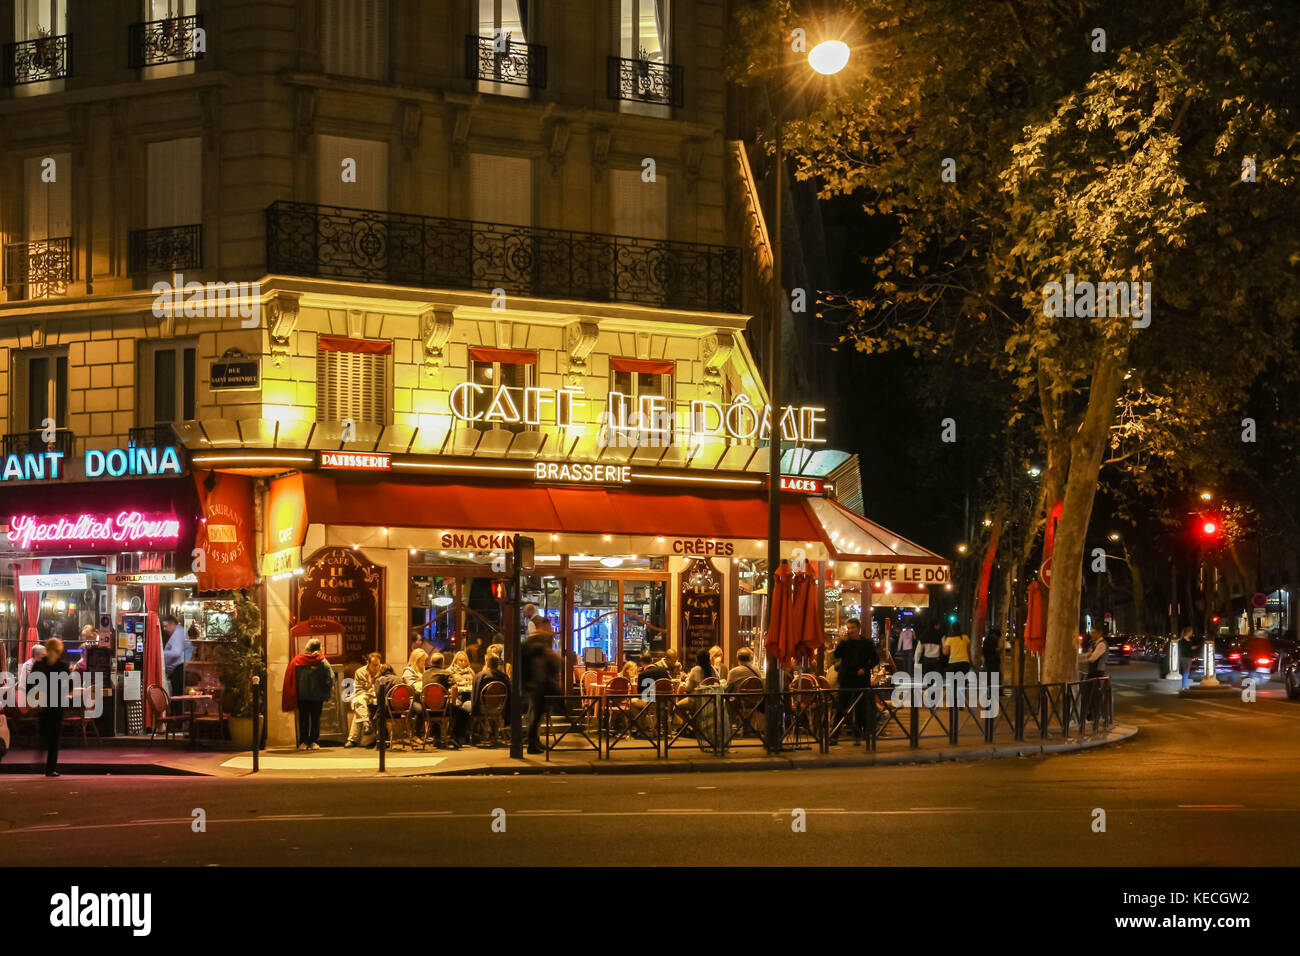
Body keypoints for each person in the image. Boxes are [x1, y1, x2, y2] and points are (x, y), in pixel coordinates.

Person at [281, 637, 334, 751]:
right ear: (319, 648)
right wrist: (326, 691)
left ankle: (303, 742)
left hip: (302, 696)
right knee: (315, 719)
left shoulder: (297, 661)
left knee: (303, 718)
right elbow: (330, 677)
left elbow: (290, 678)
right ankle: (314, 742)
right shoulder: (322, 661)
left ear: (307, 648)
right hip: (317, 696)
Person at [29, 638, 72, 776]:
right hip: (57, 705)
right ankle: (50, 768)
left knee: (43, 732)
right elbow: (69, 686)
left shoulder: (39, 665)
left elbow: (30, 684)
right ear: (59, 650)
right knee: (54, 737)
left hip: (42, 704)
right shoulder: (63, 666)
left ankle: (38, 760)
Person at [833, 619, 877, 742]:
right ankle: (834, 735)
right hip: (846, 678)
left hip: (861, 679)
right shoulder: (845, 643)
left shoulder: (867, 643)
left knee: (860, 709)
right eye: (849, 628)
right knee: (841, 707)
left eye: (852, 628)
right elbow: (836, 654)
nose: (850, 630)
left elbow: (875, 659)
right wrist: (842, 642)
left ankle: (858, 735)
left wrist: (865, 668)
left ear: (858, 628)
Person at [522, 619, 562, 753]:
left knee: (537, 715)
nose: (551, 629)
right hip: (537, 684)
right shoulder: (537, 642)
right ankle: (532, 744)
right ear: (543, 626)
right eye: (549, 626)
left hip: (537, 683)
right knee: (536, 715)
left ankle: (535, 742)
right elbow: (544, 663)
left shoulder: (536, 641)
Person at [421, 651, 467, 748]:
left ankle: (436, 737)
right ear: (442, 663)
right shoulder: (445, 673)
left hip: (427, 709)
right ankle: (455, 737)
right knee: (464, 713)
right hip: (443, 709)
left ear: (431, 663)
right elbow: (454, 687)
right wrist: (453, 703)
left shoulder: (425, 674)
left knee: (436, 705)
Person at [467, 654, 510, 743]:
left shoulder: (479, 676)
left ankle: (475, 733)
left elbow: (475, 697)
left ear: (487, 662)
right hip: (500, 708)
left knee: (464, 705)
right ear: (498, 664)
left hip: (483, 709)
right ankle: (494, 733)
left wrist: (475, 711)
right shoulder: (504, 676)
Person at [345, 652, 383, 747]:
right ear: (368, 663)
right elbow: (358, 689)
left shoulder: (383, 670)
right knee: (360, 700)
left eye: (378, 664)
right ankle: (366, 724)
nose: (376, 667)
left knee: (360, 709)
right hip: (364, 694)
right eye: (374, 665)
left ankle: (353, 738)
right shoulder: (360, 672)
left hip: (378, 696)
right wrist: (370, 691)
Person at [403, 648, 429, 738]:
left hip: (422, 698)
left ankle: (431, 734)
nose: (424, 663)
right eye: (422, 661)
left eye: (424, 660)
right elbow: (411, 686)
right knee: (421, 710)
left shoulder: (423, 671)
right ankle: (416, 735)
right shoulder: (408, 671)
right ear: (416, 660)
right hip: (411, 700)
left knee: (434, 708)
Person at [162, 614, 186, 700]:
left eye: (165, 626)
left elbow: (176, 653)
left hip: (179, 669)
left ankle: (177, 713)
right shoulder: (179, 632)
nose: (164, 629)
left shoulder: (178, 633)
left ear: (172, 624)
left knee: (177, 696)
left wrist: (161, 654)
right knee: (177, 695)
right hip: (178, 669)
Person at [17, 644, 46, 710]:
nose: (45, 657)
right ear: (37, 654)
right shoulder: (28, 665)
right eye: (43, 655)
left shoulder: (41, 664)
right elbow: (26, 683)